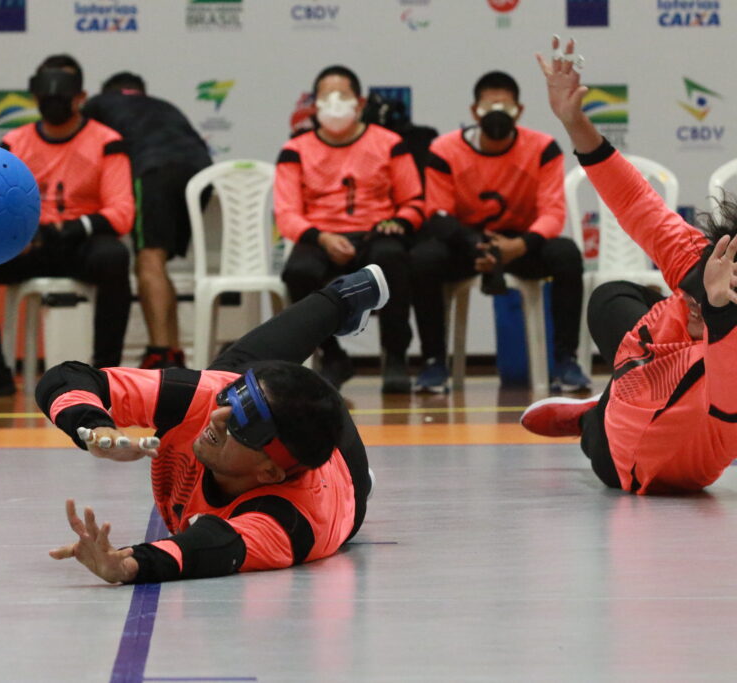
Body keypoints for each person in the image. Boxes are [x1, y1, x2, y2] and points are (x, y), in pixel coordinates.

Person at [42, 265, 384, 583]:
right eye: (232, 400)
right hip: (286, 417)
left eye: (242, 425)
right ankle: (343, 298)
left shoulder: (285, 521)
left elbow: (207, 548)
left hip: (344, 479)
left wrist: (127, 565)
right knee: (233, 370)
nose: (218, 417)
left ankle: (362, 482)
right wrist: (94, 426)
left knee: (243, 379)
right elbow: (65, 378)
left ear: (268, 473)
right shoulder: (212, 400)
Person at [520, 37, 737, 495]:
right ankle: (609, 395)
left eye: (717, 294)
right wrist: (574, 121)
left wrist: (719, 309)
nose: (699, 299)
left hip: (636, 462)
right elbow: (633, 198)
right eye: (705, 282)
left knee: (598, 436)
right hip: (644, 367)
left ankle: (591, 416)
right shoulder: (699, 261)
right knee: (611, 295)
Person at [0, 55, 134, 398]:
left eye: (62, 95)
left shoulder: (107, 141)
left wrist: (65, 231)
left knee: (114, 257)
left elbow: (121, 213)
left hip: (81, 245)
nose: (54, 102)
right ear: (35, 97)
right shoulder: (14, 144)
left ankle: (105, 376)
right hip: (30, 244)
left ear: (80, 97)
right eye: (46, 96)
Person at [411, 70, 590, 393]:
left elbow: (552, 214)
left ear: (519, 111)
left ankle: (566, 361)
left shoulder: (543, 148)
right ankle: (434, 363)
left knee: (565, 253)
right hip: (465, 243)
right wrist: (474, 244)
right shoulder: (444, 149)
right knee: (424, 258)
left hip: (520, 244)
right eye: (488, 107)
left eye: (506, 108)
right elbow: (436, 214)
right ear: (473, 112)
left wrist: (520, 245)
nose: (496, 115)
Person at [275, 65, 426, 393]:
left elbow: (414, 202)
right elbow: (286, 214)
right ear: (313, 106)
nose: (334, 104)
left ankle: (396, 356)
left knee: (393, 258)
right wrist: (323, 238)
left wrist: (397, 223)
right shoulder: (295, 150)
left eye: (342, 96)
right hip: (322, 236)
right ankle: (332, 356)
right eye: (325, 97)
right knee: (298, 271)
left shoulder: (390, 143)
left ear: (359, 102)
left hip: (375, 233)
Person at [82, 71, 213, 370]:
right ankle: (174, 352)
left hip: (155, 170)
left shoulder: (99, 104)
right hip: (201, 176)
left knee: (149, 260)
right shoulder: (164, 105)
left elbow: (86, 151)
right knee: (160, 262)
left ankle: (159, 352)